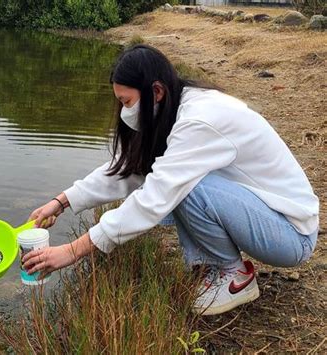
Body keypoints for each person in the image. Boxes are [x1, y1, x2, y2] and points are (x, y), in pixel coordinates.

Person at [22, 45, 319, 315]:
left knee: (182, 190)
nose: (124, 112)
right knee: (174, 187)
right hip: (261, 216)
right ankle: (212, 266)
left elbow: (154, 197)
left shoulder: (198, 121)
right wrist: (62, 201)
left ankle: (234, 276)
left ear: (157, 91)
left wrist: (71, 251)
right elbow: (129, 169)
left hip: (290, 235)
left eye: (126, 102)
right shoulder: (177, 107)